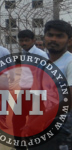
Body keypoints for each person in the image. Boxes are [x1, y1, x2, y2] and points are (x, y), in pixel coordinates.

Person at [33, 20, 72, 148]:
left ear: (69, 41)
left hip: (63, 131)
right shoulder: (42, 64)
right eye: (50, 35)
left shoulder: (69, 62)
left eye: (59, 36)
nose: (53, 39)